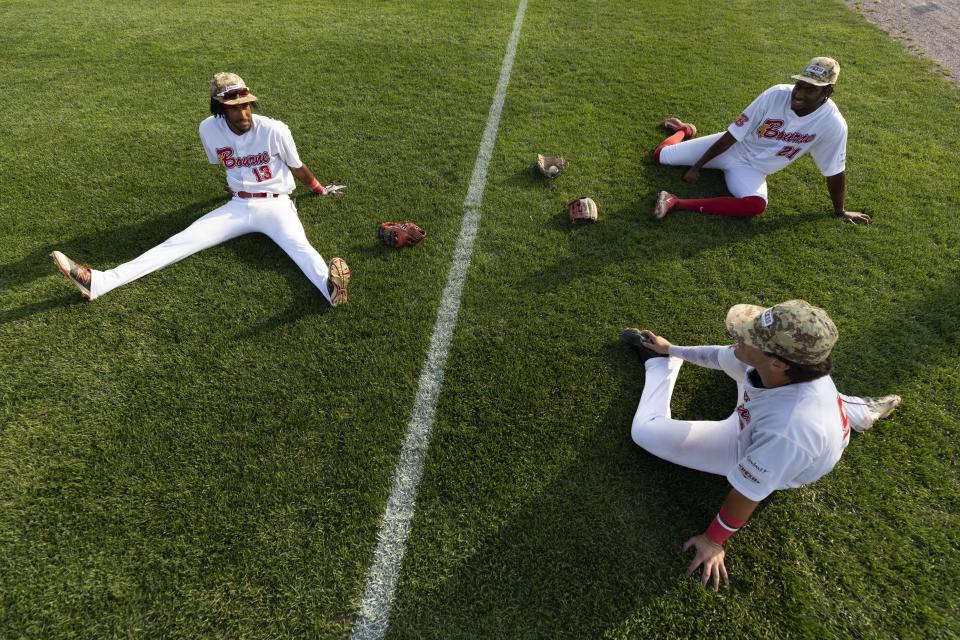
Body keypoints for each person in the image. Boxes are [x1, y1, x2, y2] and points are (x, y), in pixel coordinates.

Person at [621, 300, 900, 591]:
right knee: (743, 368)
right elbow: (720, 356)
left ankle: (659, 368)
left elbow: (745, 494)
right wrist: (671, 349)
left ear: (778, 362)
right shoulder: (793, 367)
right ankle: (856, 409)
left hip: (760, 448)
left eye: (749, 337)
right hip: (773, 413)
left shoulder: (789, 431)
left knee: (645, 432)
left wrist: (713, 540)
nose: (738, 337)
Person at [51, 72, 351, 305]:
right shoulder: (208, 128)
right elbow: (225, 163)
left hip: (276, 205)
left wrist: (318, 188)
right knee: (178, 243)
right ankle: (99, 283)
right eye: (234, 108)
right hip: (238, 206)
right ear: (220, 108)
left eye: (246, 105)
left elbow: (297, 166)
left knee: (301, 248)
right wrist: (239, 186)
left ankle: (330, 291)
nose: (243, 113)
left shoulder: (275, 129)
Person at [651, 57, 871, 224]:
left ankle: (675, 201)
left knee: (755, 205)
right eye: (800, 85)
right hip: (733, 147)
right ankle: (683, 130)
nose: (799, 93)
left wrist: (840, 211)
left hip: (753, 169)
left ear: (828, 92)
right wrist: (696, 167)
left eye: (810, 89)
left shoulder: (832, 123)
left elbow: (834, 170)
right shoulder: (775, 94)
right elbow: (733, 135)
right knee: (660, 156)